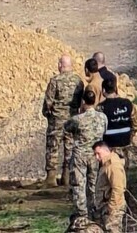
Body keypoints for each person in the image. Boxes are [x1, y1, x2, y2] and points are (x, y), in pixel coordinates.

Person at [64, 90, 108, 221]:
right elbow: (104, 131)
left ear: (83, 101)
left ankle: (82, 214)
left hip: (80, 155)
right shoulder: (102, 117)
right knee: (94, 184)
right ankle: (95, 210)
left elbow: (66, 128)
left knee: (79, 185)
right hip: (96, 155)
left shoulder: (77, 119)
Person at [42, 55, 84, 187]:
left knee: (53, 147)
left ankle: (51, 178)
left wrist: (47, 114)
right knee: (70, 148)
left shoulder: (55, 81)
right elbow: (80, 102)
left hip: (57, 120)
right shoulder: (78, 81)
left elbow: (48, 102)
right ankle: (67, 176)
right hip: (72, 119)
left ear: (60, 65)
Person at [96, 79, 136, 169]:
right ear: (115, 89)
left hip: (109, 146)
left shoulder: (100, 107)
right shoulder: (127, 103)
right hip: (126, 143)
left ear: (103, 90)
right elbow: (135, 121)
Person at [92, 141, 126, 233]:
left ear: (106, 151)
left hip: (113, 209)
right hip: (104, 207)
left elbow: (118, 188)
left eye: (98, 154)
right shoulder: (105, 164)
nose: (97, 157)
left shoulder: (113, 165)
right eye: (95, 154)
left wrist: (111, 208)